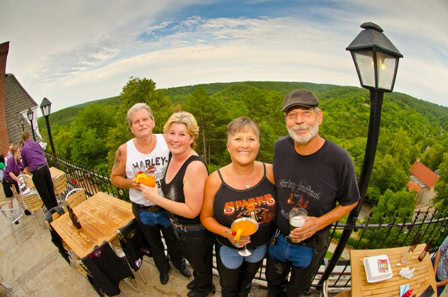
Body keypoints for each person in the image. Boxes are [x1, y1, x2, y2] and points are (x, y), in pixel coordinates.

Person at [266, 89, 360, 297]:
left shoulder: (339, 159)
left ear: (319, 116)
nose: (299, 121)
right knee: (273, 285)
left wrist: (318, 223)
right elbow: (274, 178)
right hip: (278, 239)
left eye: (306, 113)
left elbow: (350, 201)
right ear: (286, 121)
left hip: (310, 246)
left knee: (297, 292)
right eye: (292, 115)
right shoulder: (280, 147)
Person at [110, 103, 191, 285]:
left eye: (145, 119)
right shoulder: (124, 151)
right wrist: (131, 182)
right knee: (153, 243)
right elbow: (114, 177)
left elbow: (184, 160)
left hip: (166, 204)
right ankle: (163, 269)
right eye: (136, 122)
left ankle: (179, 264)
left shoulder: (166, 141)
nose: (141, 124)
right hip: (142, 208)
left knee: (173, 239)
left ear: (153, 122)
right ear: (131, 128)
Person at [140, 111, 215, 297]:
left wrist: (156, 199)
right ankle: (201, 281)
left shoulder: (194, 167)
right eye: (171, 133)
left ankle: (203, 289)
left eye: (182, 134)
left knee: (201, 263)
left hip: (195, 231)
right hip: (179, 229)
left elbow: (191, 210)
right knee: (196, 263)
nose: (175, 139)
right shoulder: (173, 156)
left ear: (192, 138)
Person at [201, 116, 277, 297]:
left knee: (246, 284)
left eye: (251, 139)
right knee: (228, 287)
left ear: (258, 144)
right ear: (228, 146)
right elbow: (205, 217)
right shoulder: (214, 180)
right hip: (228, 247)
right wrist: (229, 233)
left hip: (259, 246)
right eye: (238, 139)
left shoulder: (272, 172)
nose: (245, 145)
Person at [21, 131, 58, 210]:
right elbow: (41, 155)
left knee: (45, 195)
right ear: (29, 137)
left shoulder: (23, 150)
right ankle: (57, 208)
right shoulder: (36, 143)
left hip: (37, 172)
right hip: (45, 168)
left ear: (23, 140)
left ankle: (53, 212)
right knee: (51, 191)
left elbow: (26, 167)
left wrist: (31, 174)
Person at [2, 145, 31, 223]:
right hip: (7, 182)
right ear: (15, 153)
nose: (20, 153)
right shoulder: (11, 160)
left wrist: (30, 175)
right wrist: (18, 179)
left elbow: (23, 169)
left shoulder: (18, 161)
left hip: (14, 181)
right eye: (18, 152)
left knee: (18, 195)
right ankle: (13, 217)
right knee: (10, 199)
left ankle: (25, 210)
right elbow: (10, 173)